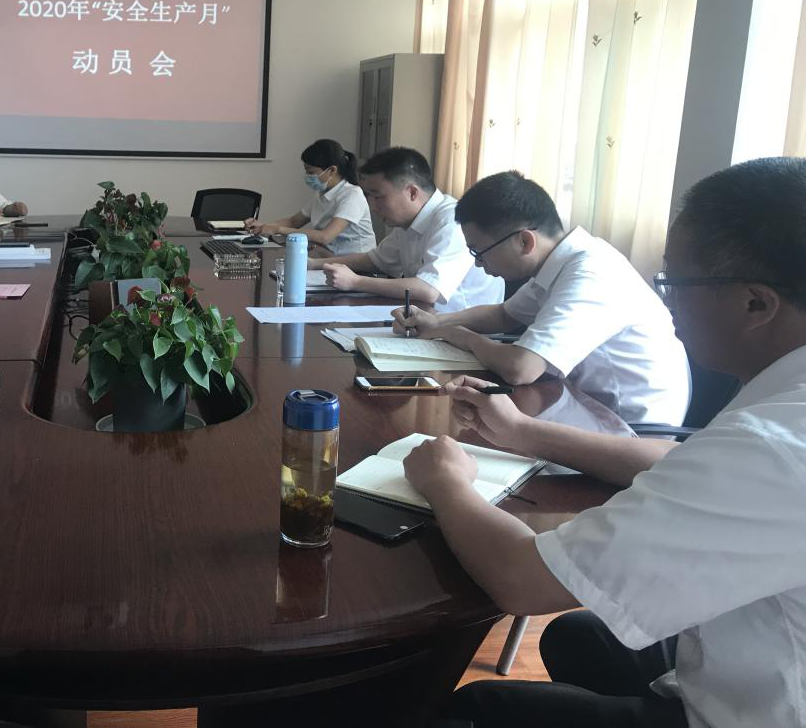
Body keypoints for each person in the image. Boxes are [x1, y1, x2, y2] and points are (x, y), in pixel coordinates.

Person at [407, 157, 806, 727]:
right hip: (745, 631)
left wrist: (447, 482)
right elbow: (683, 463)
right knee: (576, 636)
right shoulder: (779, 408)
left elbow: (522, 581)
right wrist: (521, 431)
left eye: (672, 283)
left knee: (475, 709)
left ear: (756, 303)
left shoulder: (771, 448)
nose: (665, 303)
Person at [394, 170, 689, 425]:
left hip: (630, 427)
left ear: (525, 241)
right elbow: (503, 315)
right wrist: (435, 322)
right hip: (579, 401)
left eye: (479, 252)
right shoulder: (561, 260)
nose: (479, 264)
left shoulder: (590, 273)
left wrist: (460, 335)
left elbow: (520, 368)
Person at [307, 147, 503, 311]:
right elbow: (375, 261)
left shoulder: (451, 220)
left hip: (463, 328)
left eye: (378, 196)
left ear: (412, 193)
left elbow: (428, 290)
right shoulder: (407, 222)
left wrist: (355, 282)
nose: (372, 206)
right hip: (427, 320)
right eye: (369, 197)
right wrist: (315, 264)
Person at [246, 138, 376, 255]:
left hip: (356, 265)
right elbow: (294, 221)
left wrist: (278, 229)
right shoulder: (321, 193)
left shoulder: (352, 194)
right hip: (330, 258)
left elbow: (325, 237)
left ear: (332, 170)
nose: (308, 176)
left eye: (311, 172)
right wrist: (263, 226)